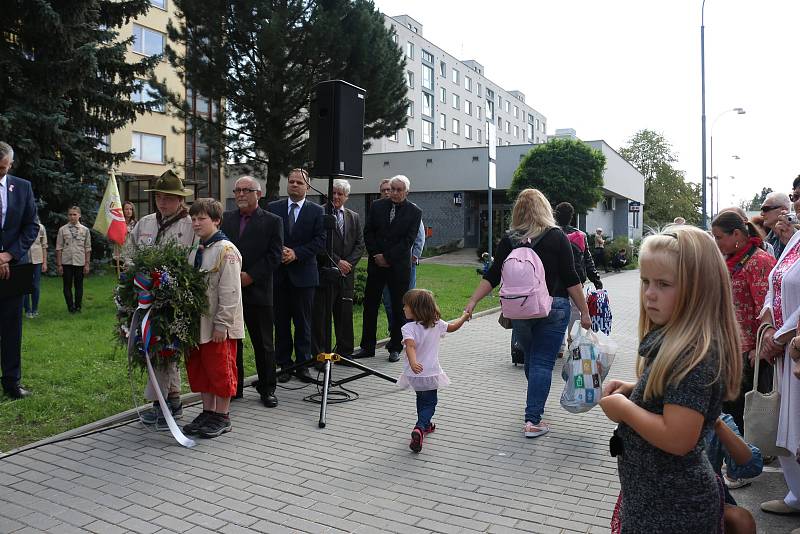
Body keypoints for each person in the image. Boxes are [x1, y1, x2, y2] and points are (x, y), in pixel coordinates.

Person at [599, 225, 742, 533]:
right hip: (657, 500)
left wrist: (624, 409)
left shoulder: (693, 355)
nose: (650, 293)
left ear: (699, 289)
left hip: (672, 511)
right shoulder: (678, 339)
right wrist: (633, 388)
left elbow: (678, 438)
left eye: (663, 284)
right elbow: (676, 394)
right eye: (646, 281)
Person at [465, 189, 591, 437]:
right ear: (545, 208)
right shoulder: (557, 237)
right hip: (554, 307)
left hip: (520, 309)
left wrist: (472, 302)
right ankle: (533, 419)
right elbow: (571, 278)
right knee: (542, 363)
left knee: (533, 359)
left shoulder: (509, 239)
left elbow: (493, 276)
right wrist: (585, 312)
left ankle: (535, 401)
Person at [125, 169, 197, 427]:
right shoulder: (145, 223)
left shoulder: (190, 225)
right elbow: (129, 253)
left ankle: (163, 405)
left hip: (174, 298)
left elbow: (193, 261)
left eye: (168, 197)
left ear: (180, 200)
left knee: (166, 349)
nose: (162, 202)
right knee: (155, 349)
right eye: (158, 197)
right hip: (145, 297)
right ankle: (171, 401)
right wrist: (133, 278)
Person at [711, 211, 776, 440]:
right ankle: (736, 459)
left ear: (736, 234)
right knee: (730, 407)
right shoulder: (733, 259)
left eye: (719, 237)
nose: (716, 243)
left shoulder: (758, 261)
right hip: (731, 347)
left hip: (749, 353)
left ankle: (746, 460)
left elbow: (767, 309)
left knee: (743, 411)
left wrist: (757, 348)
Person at [183, 198, 244, 438]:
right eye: (193, 218)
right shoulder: (196, 248)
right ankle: (208, 411)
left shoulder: (226, 251)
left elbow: (230, 291)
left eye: (202, 219)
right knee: (201, 369)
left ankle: (223, 415)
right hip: (197, 324)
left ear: (216, 221)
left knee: (220, 369)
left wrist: (222, 324)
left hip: (218, 326)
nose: (196, 223)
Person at [220, 176, 283, 406]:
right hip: (231, 292)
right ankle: (235, 387)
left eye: (246, 190)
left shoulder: (272, 221)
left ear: (259, 193)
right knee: (233, 342)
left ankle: (267, 389)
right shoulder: (226, 219)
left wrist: (251, 276)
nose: (240, 194)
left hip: (258, 291)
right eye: (237, 190)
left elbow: (275, 255)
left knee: (264, 343)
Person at [353, 175, 423, 362]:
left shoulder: (414, 212)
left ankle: (395, 347)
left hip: (398, 267)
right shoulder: (377, 206)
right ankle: (367, 347)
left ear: (406, 192)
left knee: (399, 308)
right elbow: (368, 232)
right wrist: (377, 255)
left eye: (399, 190)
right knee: (370, 305)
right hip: (376, 265)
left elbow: (408, 240)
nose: (394, 193)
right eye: (392, 189)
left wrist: (388, 257)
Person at [757, 218, 800, 519]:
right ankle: (796, 494)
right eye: (796, 196)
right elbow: (774, 285)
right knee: (789, 426)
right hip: (785, 349)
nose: (796, 204)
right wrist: (770, 327)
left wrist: (782, 335)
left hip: (795, 346)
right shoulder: (795, 242)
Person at [267, 168, 325, 383]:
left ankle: (303, 365)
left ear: (307, 187)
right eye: (291, 181)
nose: (294, 185)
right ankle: (284, 364)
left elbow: (320, 241)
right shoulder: (273, 209)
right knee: (280, 323)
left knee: (303, 324)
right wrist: (281, 251)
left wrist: (296, 253)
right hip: (279, 276)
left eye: (299, 183)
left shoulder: (317, 211)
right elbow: (268, 236)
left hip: (304, 276)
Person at [397, 289, 469, 453]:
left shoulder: (408, 328)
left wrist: (413, 363)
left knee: (421, 399)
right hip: (429, 373)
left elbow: (410, 346)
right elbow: (453, 327)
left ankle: (426, 424)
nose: (403, 309)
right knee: (430, 402)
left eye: (406, 306)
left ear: (415, 308)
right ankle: (420, 427)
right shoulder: (436, 324)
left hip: (414, 374)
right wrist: (464, 317)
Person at [0, 141, 39, 399]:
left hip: (13, 270)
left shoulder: (22, 187)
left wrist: (8, 254)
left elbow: (31, 226)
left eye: (2, 169)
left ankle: (12, 383)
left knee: (12, 327)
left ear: (10, 164)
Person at [311, 179, 364, 360]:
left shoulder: (353, 216)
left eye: (340, 194)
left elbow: (359, 244)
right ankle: (320, 356)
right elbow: (319, 244)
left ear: (346, 197)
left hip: (346, 275)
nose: (336, 196)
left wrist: (348, 264)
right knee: (321, 318)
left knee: (344, 315)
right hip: (325, 273)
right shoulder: (319, 213)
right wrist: (337, 262)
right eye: (333, 193)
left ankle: (345, 353)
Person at [554, 202, 602, 356]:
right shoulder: (580, 236)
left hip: (555, 281)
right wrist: (596, 279)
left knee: (557, 312)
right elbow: (588, 260)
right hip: (576, 281)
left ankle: (558, 347)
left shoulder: (551, 233)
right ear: (572, 217)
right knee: (575, 312)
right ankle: (573, 342)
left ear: (556, 215)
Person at [704, 413, 762, 534]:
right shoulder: (656, 418)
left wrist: (717, 423)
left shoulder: (717, 418)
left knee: (740, 521)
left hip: (707, 501)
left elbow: (752, 466)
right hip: (664, 503)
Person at [55, 206, 91, 313]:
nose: (72, 217)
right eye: (70, 214)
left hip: (80, 261)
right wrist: (59, 264)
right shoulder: (62, 230)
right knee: (67, 285)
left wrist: (87, 264)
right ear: (68, 216)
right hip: (67, 262)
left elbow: (87, 248)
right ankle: (70, 307)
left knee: (79, 285)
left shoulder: (85, 230)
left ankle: (78, 306)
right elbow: (59, 248)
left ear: (79, 215)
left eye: (74, 214)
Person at [23, 222, 47, 318]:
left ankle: (35, 309)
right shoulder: (22, 225)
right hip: (24, 259)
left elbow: (44, 246)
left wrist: (44, 262)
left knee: (35, 285)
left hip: (38, 260)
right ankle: (27, 310)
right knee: (24, 286)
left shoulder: (41, 227)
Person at [761, 191, 793, 259]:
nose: (762, 214)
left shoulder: (796, 237)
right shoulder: (766, 240)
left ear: (783, 209)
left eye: (765, 209)